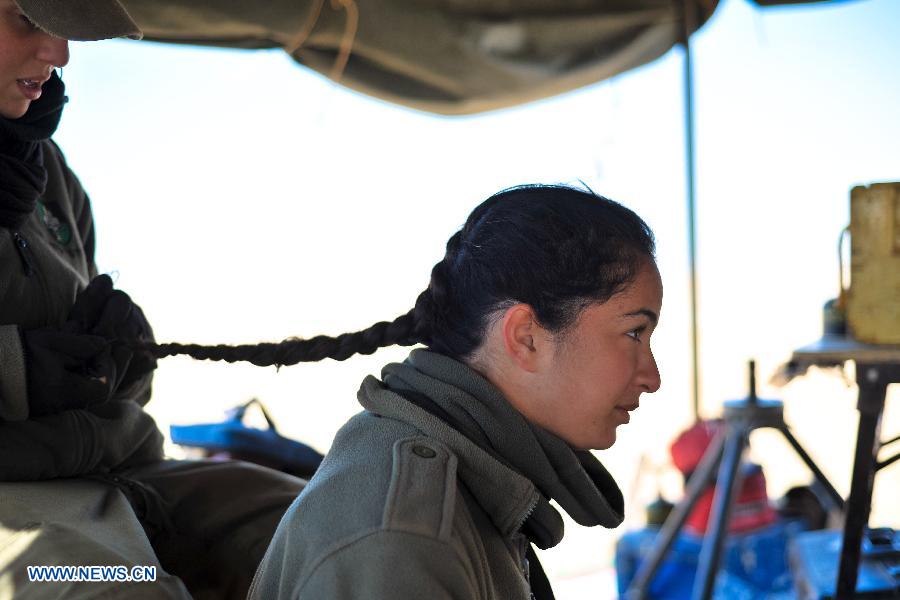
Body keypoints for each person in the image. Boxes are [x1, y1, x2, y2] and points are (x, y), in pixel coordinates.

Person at [150, 184, 664, 599]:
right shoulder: (404, 541)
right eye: (634, 333)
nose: (652, 375)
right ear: (526, 337)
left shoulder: (471, 485)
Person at [0, 1, 305, 598]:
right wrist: (18, 371)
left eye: (64, 30)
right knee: (122, 589)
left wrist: (123, 363)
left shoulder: (48, 173)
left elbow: (107, 384)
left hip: (123, 470)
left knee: (353, 536)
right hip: (17, 493)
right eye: (28, 20)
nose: (59, 53)